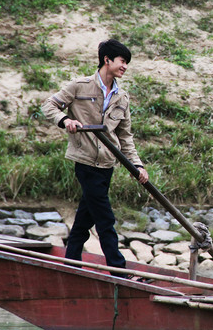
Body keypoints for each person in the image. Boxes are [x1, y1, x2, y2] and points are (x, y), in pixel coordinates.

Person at [41, 39, 148, 275]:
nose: (125, 67)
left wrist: (137, 165)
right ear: (107, 60)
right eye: (122, 61)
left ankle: (70, 263)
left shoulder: (122, 97)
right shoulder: (80, 86)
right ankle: (119, 271)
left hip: (107, 163)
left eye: (127, 63)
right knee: (105, 218)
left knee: (85, 217)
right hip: (86, 162)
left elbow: (125, 137)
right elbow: (49, 105)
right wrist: (65, 120)